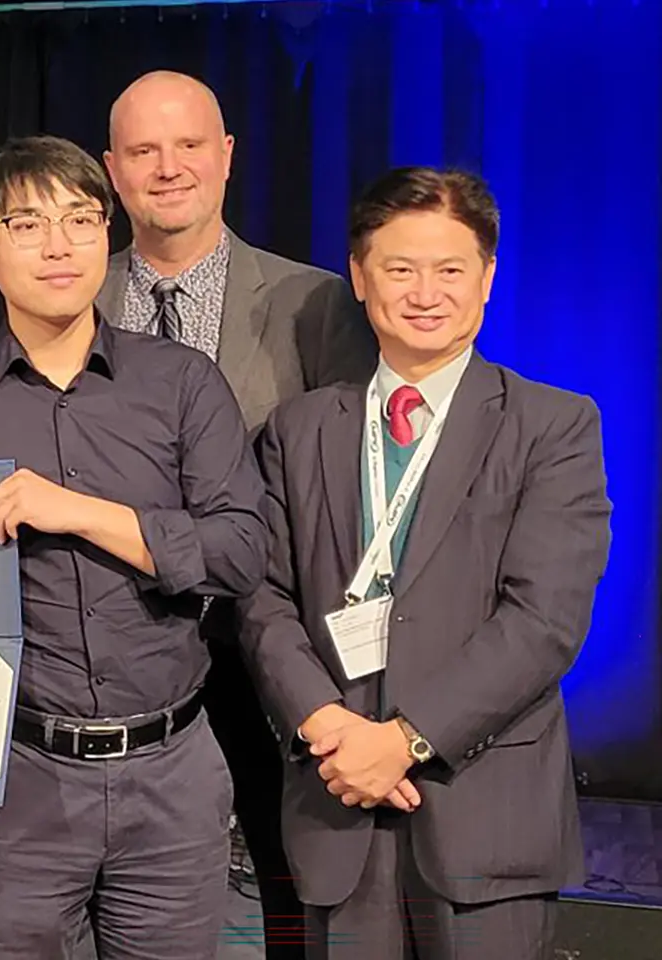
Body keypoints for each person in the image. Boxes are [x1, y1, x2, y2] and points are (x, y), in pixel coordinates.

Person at [0, 135, 267, 960]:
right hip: (22, 780)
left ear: (108, 235)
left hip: (172, 772)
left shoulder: (182, 384)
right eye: (27, 225)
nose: (59, 244)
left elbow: (241, 551)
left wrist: (81, 512)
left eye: (81, 219)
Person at [237, 166, 611, 959]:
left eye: (450, 270)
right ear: (361, 277)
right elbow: (261, 597)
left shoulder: (553, 426)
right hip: (336, 808)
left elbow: (544, 620)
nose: (425, 292)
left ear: (486, 280)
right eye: (401, 269)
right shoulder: (298, 431)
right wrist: (327, 724)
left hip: (484, 822)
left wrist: (403, 739)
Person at [98, 69, 379, 958]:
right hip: (121, 653)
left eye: (188, 146)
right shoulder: (73, 297)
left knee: (295, 887)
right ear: (113, 171)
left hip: (271, 648)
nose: (167, 167)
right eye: (144, 150)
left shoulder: (316, 303)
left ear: (226, 158)